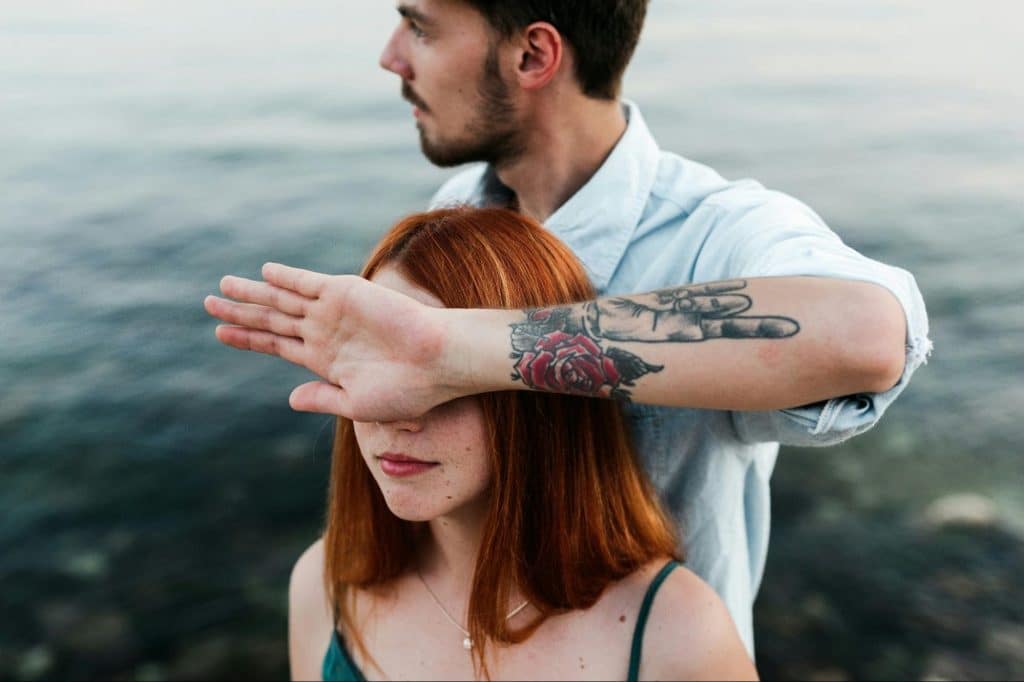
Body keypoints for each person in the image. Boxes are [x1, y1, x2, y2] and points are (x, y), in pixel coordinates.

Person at [204, 0, 931, 656]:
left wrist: (451, 350)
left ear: (533, 56)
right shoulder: (462, 204)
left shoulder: (714, 234)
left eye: (421, 26)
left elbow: (865, 335)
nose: (392, 55)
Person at [287, 207, 759, 681]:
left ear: (538, 393)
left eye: (442, 375)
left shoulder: (680, 635)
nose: (395, 412)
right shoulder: (324, 585)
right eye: (375, 362)